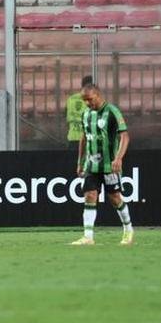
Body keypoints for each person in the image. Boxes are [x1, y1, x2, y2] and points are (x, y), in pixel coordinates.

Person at [71, 83, 135, 246]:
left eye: (90, 99)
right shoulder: (86, 114)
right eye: (84, 100)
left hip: (109, 165)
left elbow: (125, 136)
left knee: (114, 198)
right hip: (91, 165)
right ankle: (88, 236)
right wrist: (80, 162)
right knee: (90, 195)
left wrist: (119, 158)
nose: (87, 103)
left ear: (98, 95)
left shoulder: (112, 112)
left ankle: (128, 229)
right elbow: (84, 138)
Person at [66, 75, 92, 146]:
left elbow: (66, 118)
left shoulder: (71, 99)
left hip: (72, 139)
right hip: (87, 140)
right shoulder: (92, 101)